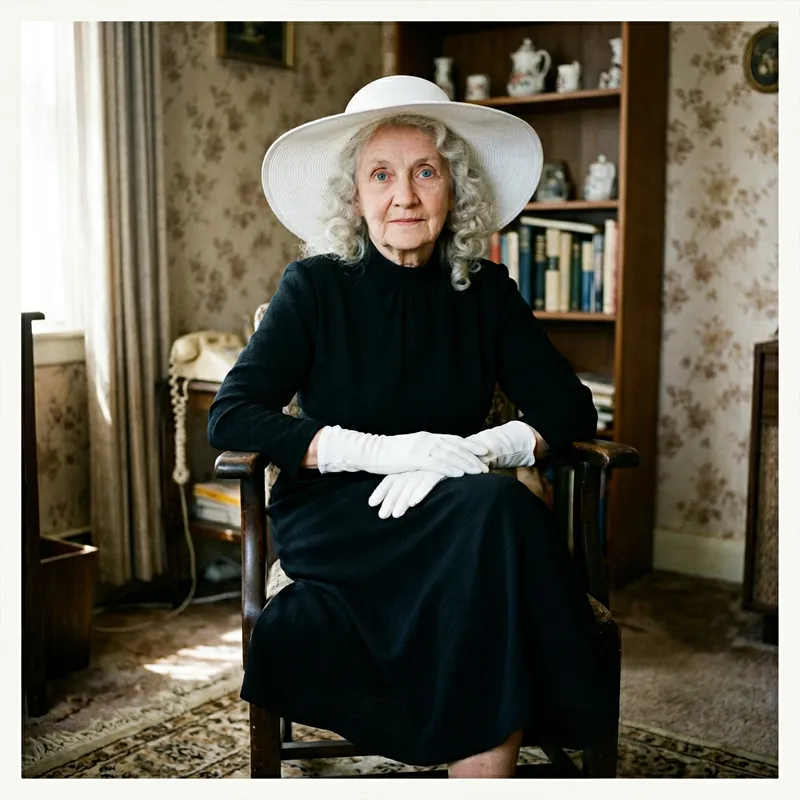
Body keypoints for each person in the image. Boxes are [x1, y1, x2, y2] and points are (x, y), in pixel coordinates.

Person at [207, 75, 616, 778]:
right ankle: (552, 717)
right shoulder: (314, 289)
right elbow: (233, 414)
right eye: (381, 175)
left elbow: (568, 408)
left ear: (454, 190)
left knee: (495, 509)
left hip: (456, 508)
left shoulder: (486, 292)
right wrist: (386, 453)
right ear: (355, 196)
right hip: (342, 515)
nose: (404, 195)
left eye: (426, 171)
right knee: (505, 511)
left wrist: (472, 451)